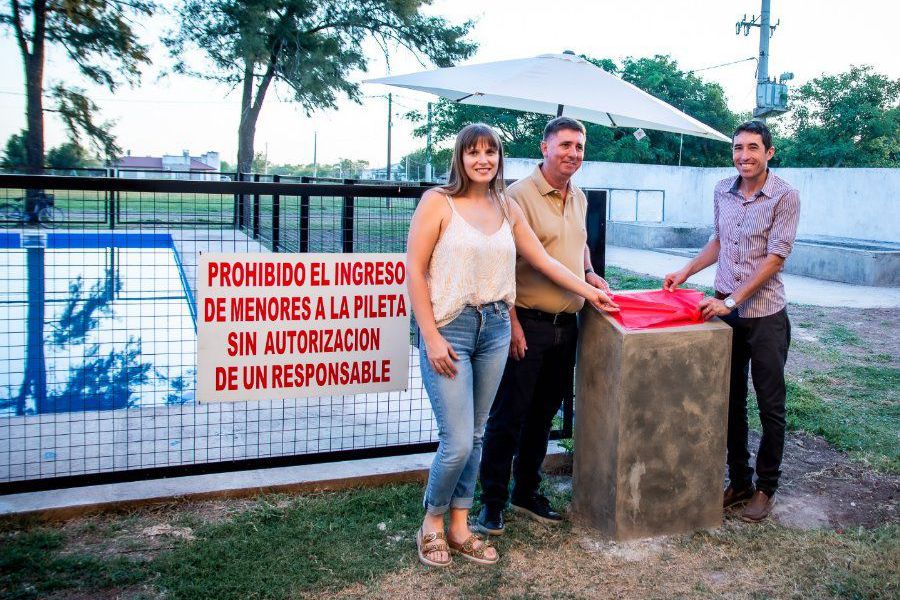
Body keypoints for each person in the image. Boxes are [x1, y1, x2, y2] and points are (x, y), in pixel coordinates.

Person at [406, 123, 618, 567]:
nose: (483, 160)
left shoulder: (505, 205)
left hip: (496, 327)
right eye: (474, 153)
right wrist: (429, 337)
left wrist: (589, 288)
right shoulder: (437, 202)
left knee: (478, 434)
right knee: (459, 439)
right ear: (460, 158)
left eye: (491, 152)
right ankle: (432, 521)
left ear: (500, 158)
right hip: (451, 328)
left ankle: (461, 525)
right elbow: (414, 271)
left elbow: (541, 259)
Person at [476, 117, 610, 536]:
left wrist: (588, 273)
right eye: (565, 144)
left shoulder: (579, 196)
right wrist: (512, 322)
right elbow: (503, 266)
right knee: (508, 417)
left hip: (566, 326)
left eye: (580, 147)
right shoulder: (516, 196)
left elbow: (580, 243)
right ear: (545, 147)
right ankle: (492, 503)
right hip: (527, 324)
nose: (573, 153)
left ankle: (527, 491)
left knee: (543, 416)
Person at [663, 120, 800, 523]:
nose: (744, 155)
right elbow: (719, 241)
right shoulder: (722, 190)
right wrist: (686, 271)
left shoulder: (785, 196)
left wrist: (734, 301)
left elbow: (776, 258)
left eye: (753, 148)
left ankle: (765, 487)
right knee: (729, 400)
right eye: (738, 148)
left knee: (770, 403)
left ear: (769, 152)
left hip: (765, 315)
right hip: (725, 308)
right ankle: (739, 480)